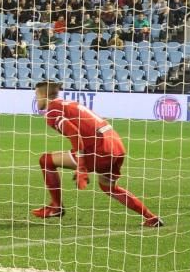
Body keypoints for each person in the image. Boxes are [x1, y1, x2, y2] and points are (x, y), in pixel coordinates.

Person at [31, 81, 162, 227]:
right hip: (115, 144)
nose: (36, 99)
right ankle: (151, 217)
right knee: (108, 187)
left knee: (46, 160)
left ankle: (56, 206)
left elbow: (74, 133)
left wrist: (81, 167)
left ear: (43, 94)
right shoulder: (69, 103)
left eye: (36, 95)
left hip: (98, 148)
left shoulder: (52, 111)